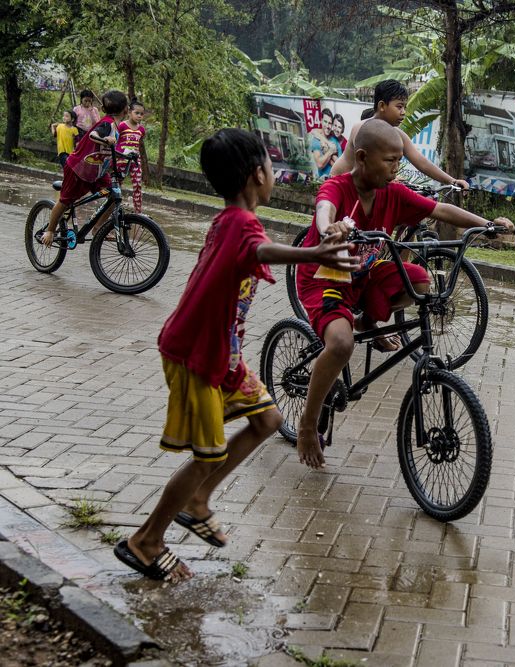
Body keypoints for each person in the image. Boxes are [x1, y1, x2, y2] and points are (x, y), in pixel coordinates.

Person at [113, 129, 358, 582]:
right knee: (207, 456)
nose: (272, 174)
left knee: (266, 420)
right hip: (196, 357)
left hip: (222, 354)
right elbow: (259, 250)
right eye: (269, 166)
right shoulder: (242, 226)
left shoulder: (232, 219)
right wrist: (313, 251)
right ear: (256, 175)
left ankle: (197, 501)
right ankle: (146, 540)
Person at [294, 119, 513, 469]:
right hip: (326, 277)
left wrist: (484, 225)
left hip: (364, 273)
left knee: (419, 281)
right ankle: (307, 424)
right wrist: (328, 229)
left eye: (400, 160)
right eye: (390, 161)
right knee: (340, 344)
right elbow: (324, 210)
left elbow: (439, 209)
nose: (397, 168)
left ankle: (367, 320)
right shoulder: (338, 187)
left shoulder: (392, 193)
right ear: (362, 158)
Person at [332, 80, 469, 189]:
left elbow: (422, 162)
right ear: (382, 106)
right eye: (399, 106)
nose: (403, 112)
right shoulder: (361, 128)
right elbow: (366, 166)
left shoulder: (397, 134)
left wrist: (452, 180)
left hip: (366, 189)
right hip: (339, 184)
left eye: (405, 107)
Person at [42, 90, 129, 247]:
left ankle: (98, 228)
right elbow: (92, 135)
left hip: (96, 171)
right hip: (78, 168)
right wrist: (104, 139)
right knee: (65, 201)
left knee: (114, 196)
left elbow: (109, 150)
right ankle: (49, 230)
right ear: (126, 110)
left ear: (102, 108)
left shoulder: (116, 127)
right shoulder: (106, 124)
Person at [116, 99, 147, 212]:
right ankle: (114, 208)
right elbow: (116, 139)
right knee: (117, 184)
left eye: (141, 114)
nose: (139, 116)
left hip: (135, 160)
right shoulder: (122, 126)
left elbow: (139, 141)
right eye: (136, 113)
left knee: (138, 184)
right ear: (129, 112)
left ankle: (138, 211)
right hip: (121, 159)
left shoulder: (141, 129)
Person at [308, 108, 341, 179]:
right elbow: (319, 165)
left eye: (330, 123)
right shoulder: (316, 141)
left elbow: (341, 165)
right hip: (324, 182)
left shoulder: (335, 140)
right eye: (325, 122)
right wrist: (330, 151)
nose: (328, 126)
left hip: (336, 181)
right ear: (321, 121)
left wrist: (327, 150)